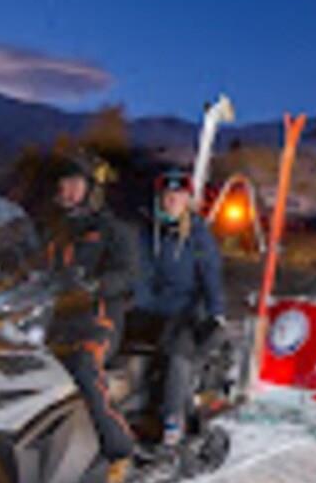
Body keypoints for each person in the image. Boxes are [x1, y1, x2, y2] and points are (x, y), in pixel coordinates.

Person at [38, 152, 139, 463]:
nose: (67, 190)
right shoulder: (48, 229)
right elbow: (21, 261)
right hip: (50, 322)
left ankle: (118, 446)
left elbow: (128, 274)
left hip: (97, 322)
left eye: (74, 183)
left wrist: (96, 285)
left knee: (82, 366)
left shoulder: (111, 230)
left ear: (90, 188)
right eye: (62, 183)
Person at [130, 168, 225, 453]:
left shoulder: (197, 234)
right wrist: (140, 302)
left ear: (187, 200)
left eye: (178, 195)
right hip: (151, 307)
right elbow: (140, 273)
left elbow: (210, 274)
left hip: (185, 308)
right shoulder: (148, 232)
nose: (172, 200)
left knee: (176, 348)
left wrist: (215, 312)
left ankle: (173, 419)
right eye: (168, 195)